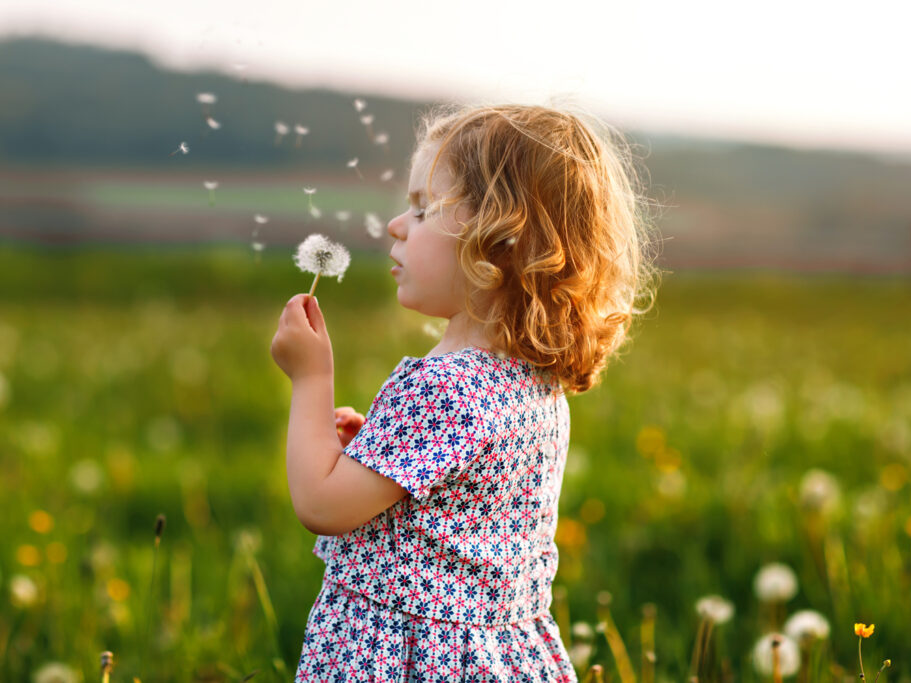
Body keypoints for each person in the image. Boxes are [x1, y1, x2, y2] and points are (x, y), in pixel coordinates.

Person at [270, 102, 661, 682]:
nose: (397, 226)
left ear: (497, 243)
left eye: (424, 210)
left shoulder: (444, 388)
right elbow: (456, 508)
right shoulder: (533, 385)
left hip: (404, 658)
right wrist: (376, 451)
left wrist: (310, 379)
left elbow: (321, 506)